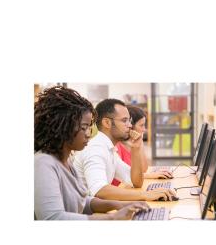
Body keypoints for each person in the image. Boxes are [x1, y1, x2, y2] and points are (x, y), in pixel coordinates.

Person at [34, 86, 150, 220]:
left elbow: (83, 203)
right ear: (63, 127)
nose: (89, 134)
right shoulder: (43, 163)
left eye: (89, 127)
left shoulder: (66, 161)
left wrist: (120, 205)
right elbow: (54, 218)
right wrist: (113, 218)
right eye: (84, 128)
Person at [73, 99, 177, 201]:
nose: (130, 125)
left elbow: (136, 181)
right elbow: (100, 190)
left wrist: (136, 149)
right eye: (124, 120)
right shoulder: (96, 148)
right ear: (107, 123)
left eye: (129, 121)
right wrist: (145, 194)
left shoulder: (109, 149)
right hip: (86, 214)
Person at [111, 105, 173, 186]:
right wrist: (151, 175)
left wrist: (140, 143)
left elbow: (144, 169)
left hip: (129, 187)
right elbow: (126, 175)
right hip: (120, 189)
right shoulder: (117, 146)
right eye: (141, 125)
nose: (144, 129)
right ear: (131, 126)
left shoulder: (133, 144)